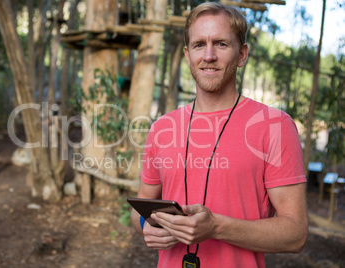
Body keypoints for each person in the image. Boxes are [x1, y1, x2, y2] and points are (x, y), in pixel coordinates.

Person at [130, 2, 308, 268]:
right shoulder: (162, 128)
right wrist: (148, 225)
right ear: (188, 55)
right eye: (199, 44)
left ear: (242, 54)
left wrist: (215, 228)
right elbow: (140, 208)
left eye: (221, 44)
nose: (209, 55)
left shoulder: (275, 126)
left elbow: (295, 234)